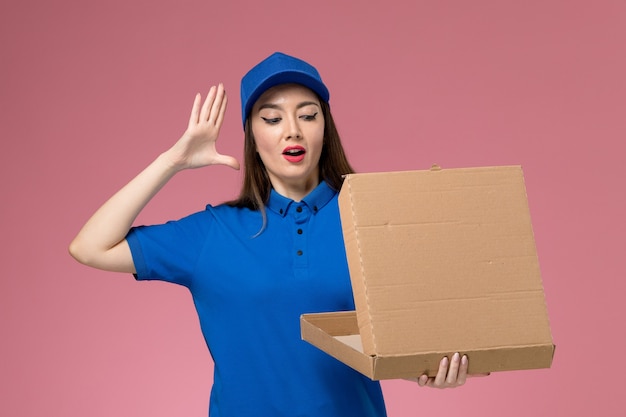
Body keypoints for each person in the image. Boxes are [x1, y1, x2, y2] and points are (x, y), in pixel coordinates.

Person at [69, 52, 471, 417]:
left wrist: (428, 368)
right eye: (272, 118)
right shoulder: (214, 233)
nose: (291, 130)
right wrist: (171, 161)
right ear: (252, 137)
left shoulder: (373, 217)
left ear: (325, 128)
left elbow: (399, 342)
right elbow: (89, 247)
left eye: (308, 115)